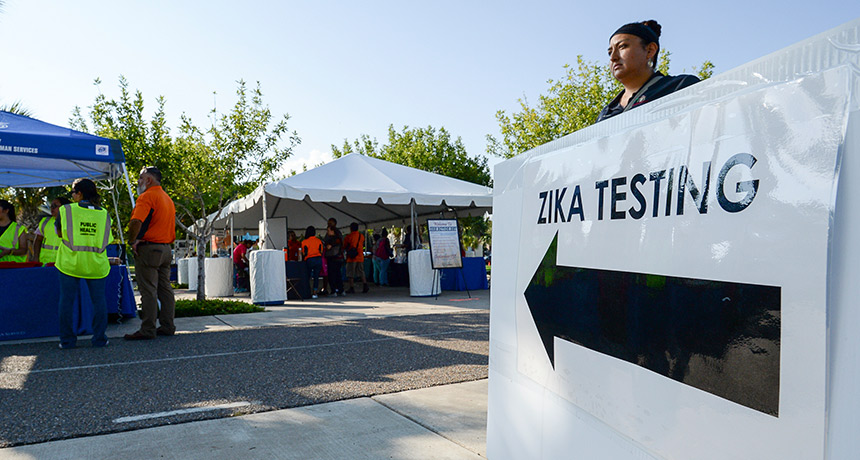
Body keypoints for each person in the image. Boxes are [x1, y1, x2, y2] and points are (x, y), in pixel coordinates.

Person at [595, 20, 699, 123]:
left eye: (622, 46)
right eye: (610, 52)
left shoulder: (680, 87)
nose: (613, 57)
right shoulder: (605, 114)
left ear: (650, 50)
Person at [55, 179, 111, 349]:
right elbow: (107, 239)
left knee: (67, 302)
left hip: (70, 263)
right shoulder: (104, 214)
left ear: (79, 193)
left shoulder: (66, 210)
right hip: (96, 264)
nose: (72, 196)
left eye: (73, 192)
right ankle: (99, 339)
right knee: (99, 302)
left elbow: (59, 233)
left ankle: (67, 341)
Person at [124, 166, 177, 341]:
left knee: (148, 290)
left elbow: (136, 221)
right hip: (166, 248)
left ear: (148, 180)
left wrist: (133, 240)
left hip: (149, 248)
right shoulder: (167, 198)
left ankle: (148, 329)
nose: (138, 181)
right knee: (165, 288)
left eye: (140, 178)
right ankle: (168, 325)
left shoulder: (147, 197)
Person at [33, 196, 71, 264]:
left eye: (55, 206)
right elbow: (38, 240)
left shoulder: (71, 223)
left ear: (64, 207)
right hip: (45, 262)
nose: (52, 208)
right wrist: (36, 257)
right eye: (51, 206)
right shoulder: (45, 222)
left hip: (63, 263)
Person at [344, 222, 369, 294]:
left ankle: (351, 287)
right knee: (361, 271)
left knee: (350, 273)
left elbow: (345, 245)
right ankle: (365, 285)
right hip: (360, 256)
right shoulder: (361, 236)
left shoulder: (349, 237)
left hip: (351, 257)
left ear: (351, 228)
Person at [302, 226, 324, 299]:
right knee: (316, 276)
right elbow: (321, 251)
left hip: (309, 259)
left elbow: (304, 253)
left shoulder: (304, 242)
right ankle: (315, 292)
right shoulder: (319, 241)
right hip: (318, 259)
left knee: (307, 276)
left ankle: (307, 291)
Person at [324, 225, 345, 296]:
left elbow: (328, 247)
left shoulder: (332, 239)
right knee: (338, 274)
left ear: (332, 231)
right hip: (339, 258)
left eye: (328, 231)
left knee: (331, 275)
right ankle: (341, 289)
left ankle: (333, 290)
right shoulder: (339, 238)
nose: (327, 232)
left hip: (332, 258)